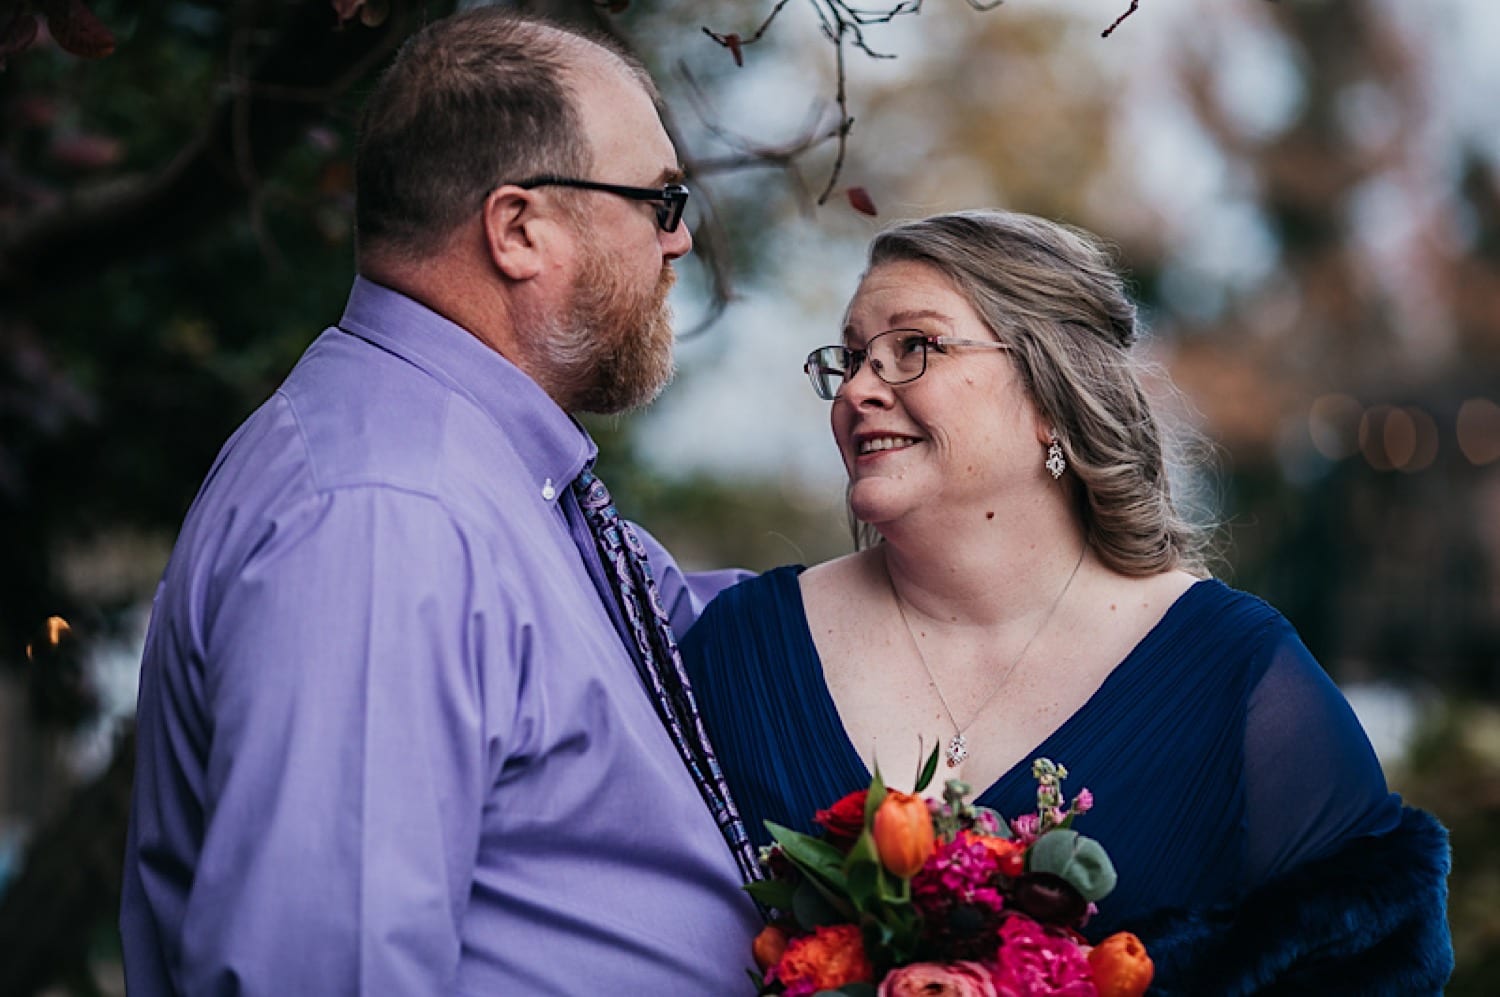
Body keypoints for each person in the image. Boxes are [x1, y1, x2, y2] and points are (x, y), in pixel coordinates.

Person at [120, 9, 764, 994]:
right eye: (661, 198)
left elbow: (729, 641)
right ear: (518, 229)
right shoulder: (388, 512)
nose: (680, 241)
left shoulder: (485, 482)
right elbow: (323, 972)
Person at [681, 210, 1453, 992]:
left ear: (1053, 394)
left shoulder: (1233, 674)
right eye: (850, 358)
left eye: (913, 347)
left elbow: (1382, 962)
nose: (857, 389)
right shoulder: (743, 652)